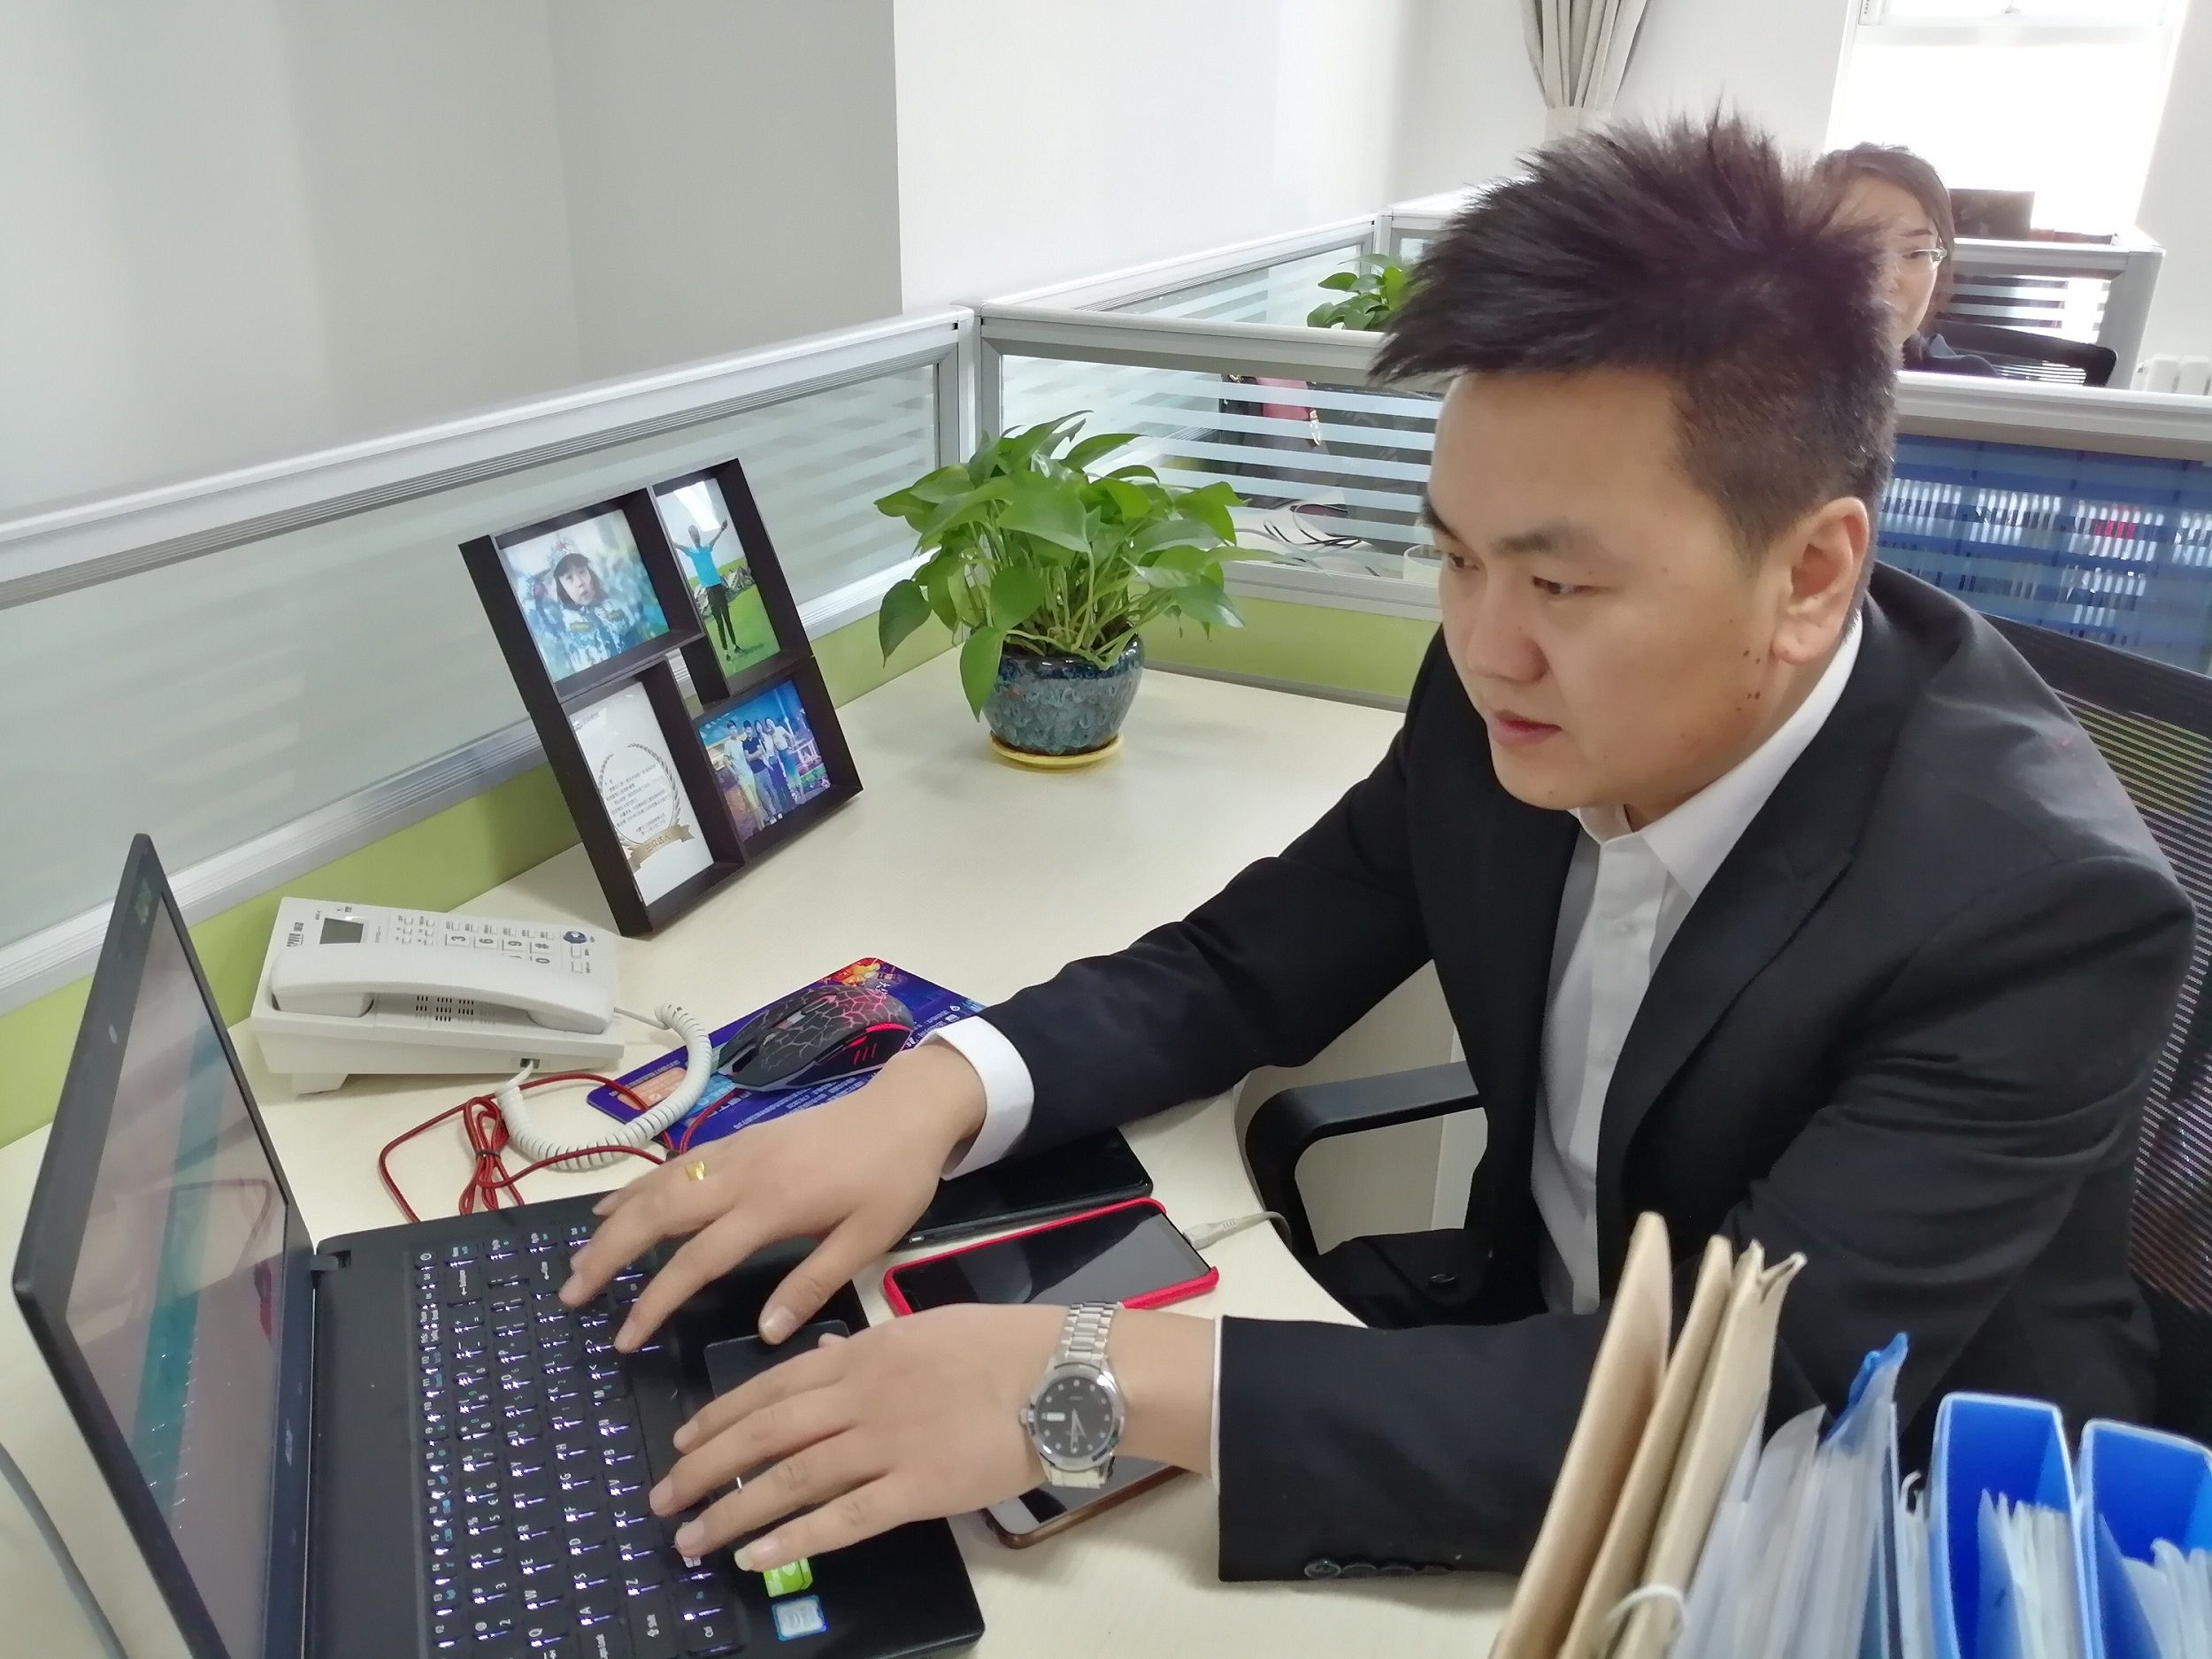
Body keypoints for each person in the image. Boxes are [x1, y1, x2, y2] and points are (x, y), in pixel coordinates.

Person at [561, 117, 2190, 1583]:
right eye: (1455, 557)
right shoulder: (1509, 690)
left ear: (1813, 574)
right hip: (1518, 1349)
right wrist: (920, 1097)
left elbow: (1739, 1393)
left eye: (1561, 583)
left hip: (1873, 1534)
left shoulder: (2038, 910)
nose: (1486, 645)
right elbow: (1249, 959)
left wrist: (1083, 1381)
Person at [1820, 142, 2002, 376]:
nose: (1885, 280)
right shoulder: (1777, 383)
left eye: (1915, 253)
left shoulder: (1969, 387)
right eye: (1857, 250)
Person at [677, 518, 739, 654]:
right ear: (691, 537)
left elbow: (715, 539)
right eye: (694, 536)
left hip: (718, 587)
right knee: (719, 621)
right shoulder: (691, 551)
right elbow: (678, 546)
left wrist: (722, 529)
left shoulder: (706, 548)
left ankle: (735, 645)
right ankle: (726, 651)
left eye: (697, 535)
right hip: (710, 590)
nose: (696, 538)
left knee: (727, 618)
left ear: (699, 536)